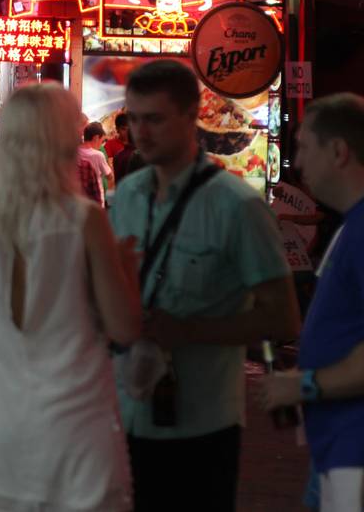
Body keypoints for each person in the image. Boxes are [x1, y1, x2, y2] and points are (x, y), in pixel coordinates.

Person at [108, 58, 298, 512]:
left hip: (203, 422)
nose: (141, 132)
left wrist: (191, 330)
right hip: (126, 412)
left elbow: (283, 316)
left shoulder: (237, 207)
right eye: (134, 119)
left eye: (154, 119)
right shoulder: (125, 199)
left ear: (191, 116)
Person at [0, 83, 142, 512]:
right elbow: (124, 326)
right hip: (80, 431)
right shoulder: (83, 218)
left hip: (8, 432)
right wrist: (127, 266)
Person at [257, 93, 364, 511]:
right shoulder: (349, 225)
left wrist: (303, 385)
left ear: (338, 151)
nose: (297, 164)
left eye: (303, 147)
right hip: (336, 446)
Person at [78, 121, 113, 205]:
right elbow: (110, 176)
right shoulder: (98, 155)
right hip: (96, 198)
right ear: (96, 138)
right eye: (102, 141)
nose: (101, 144)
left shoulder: (76, 152)